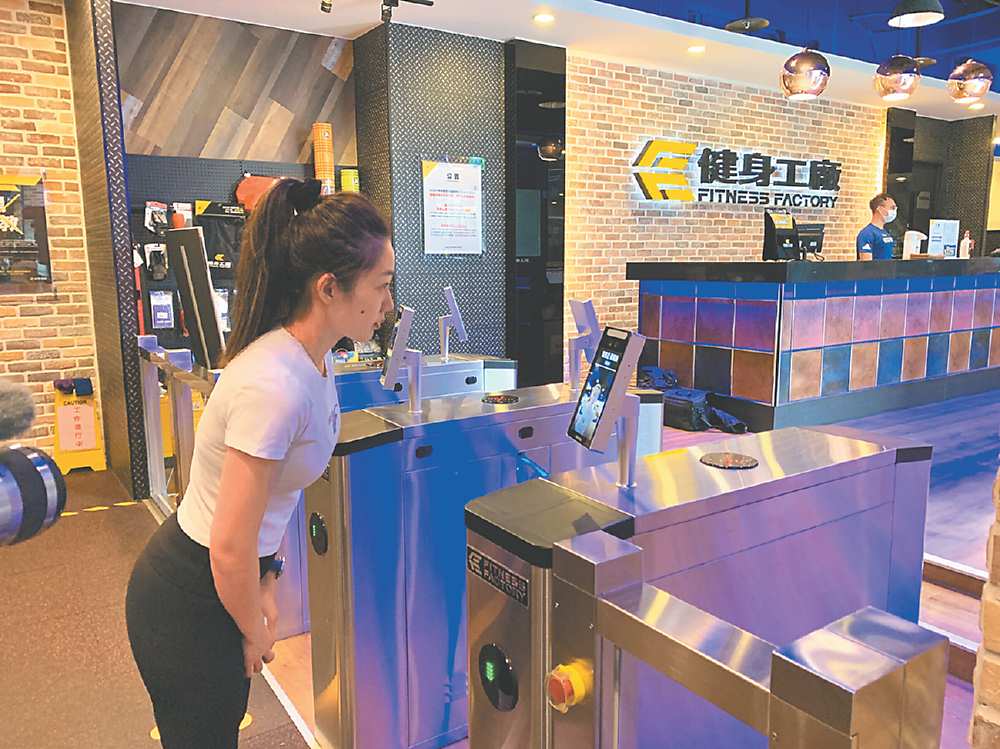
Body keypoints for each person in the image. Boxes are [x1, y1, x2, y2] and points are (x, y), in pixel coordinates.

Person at [126, 178, 395, 748]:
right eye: (382, 285)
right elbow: (228, 547)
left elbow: (273, 506)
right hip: (190, 599)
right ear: (329, 288)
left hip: (224, 585)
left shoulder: (315, 361)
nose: (389, 305)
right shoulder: (274, 385)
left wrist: (267, 581)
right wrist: (253, 628)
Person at [856, 193, 898, 261]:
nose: (894, 211)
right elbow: (866, 263)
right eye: (892, 208)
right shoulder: (867, 233)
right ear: (880, 209)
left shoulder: (885, 232)